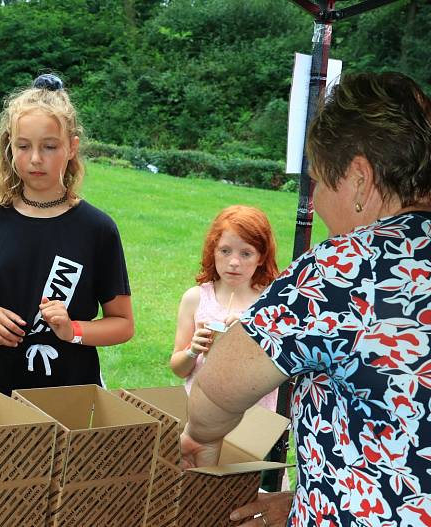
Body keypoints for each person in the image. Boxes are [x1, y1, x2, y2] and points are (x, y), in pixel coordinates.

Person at [181, 71, 431, 526]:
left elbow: (219, 386)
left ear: (358, 179)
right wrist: (309, 497)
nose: (313, 202)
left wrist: (201, 435)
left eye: (319, 181)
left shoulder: (350, 267)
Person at [0, 73, 134, 396]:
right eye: (23, 146)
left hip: (71, 393)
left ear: (72, 148)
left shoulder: (98, 230)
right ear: (10, 148)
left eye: (49, 147)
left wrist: (73, 330)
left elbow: (123, 324)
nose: (35, 159)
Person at [170, 205, 279, 410]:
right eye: (225, 251)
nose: (234, 262)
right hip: (201, 416)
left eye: (246, 253)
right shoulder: (195, 299)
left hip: (254, 421)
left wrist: (251, 334)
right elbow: (178, 368)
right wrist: (193, 351)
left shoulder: (271, 303)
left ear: (261, 257)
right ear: (213, 251)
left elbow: (283, 372)